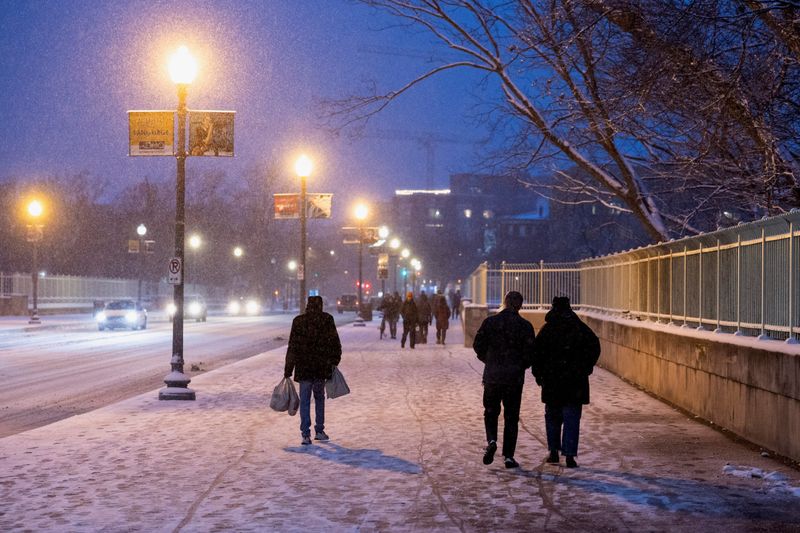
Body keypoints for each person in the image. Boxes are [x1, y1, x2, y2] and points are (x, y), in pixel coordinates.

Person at [531, 296, 600, 468]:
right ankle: (569, 454)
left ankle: (553, 451)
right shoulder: (579, 328)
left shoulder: (548, 330)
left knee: (553, 416)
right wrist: (585, 367)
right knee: (572, 418)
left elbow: (537, 352)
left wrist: (539, 374)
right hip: (575, 381)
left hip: (552, 380)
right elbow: (594, 346)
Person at [473, 291, 536, 469]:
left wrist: (489, 360)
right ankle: (508, 456)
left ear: (505, 302)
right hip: (514, 379)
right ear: (520, 306)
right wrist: (520, 365)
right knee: (511, 416)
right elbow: (531, 353)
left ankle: (492, 440)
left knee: (491, 411)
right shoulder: (525, 326)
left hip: (493, 377)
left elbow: (477, 345)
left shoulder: (491, 322)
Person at [284, 295, 342, 446]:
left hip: (304, 367)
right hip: (321, 367)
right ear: (321, 305)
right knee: (319, 398)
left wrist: (288, 369)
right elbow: (335, 343)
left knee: (305, 400)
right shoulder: (327, 320)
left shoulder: (299, 322)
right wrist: (334, 362)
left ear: (307, 305)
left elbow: (293, 347)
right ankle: (320, 430)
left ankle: (305, 433)